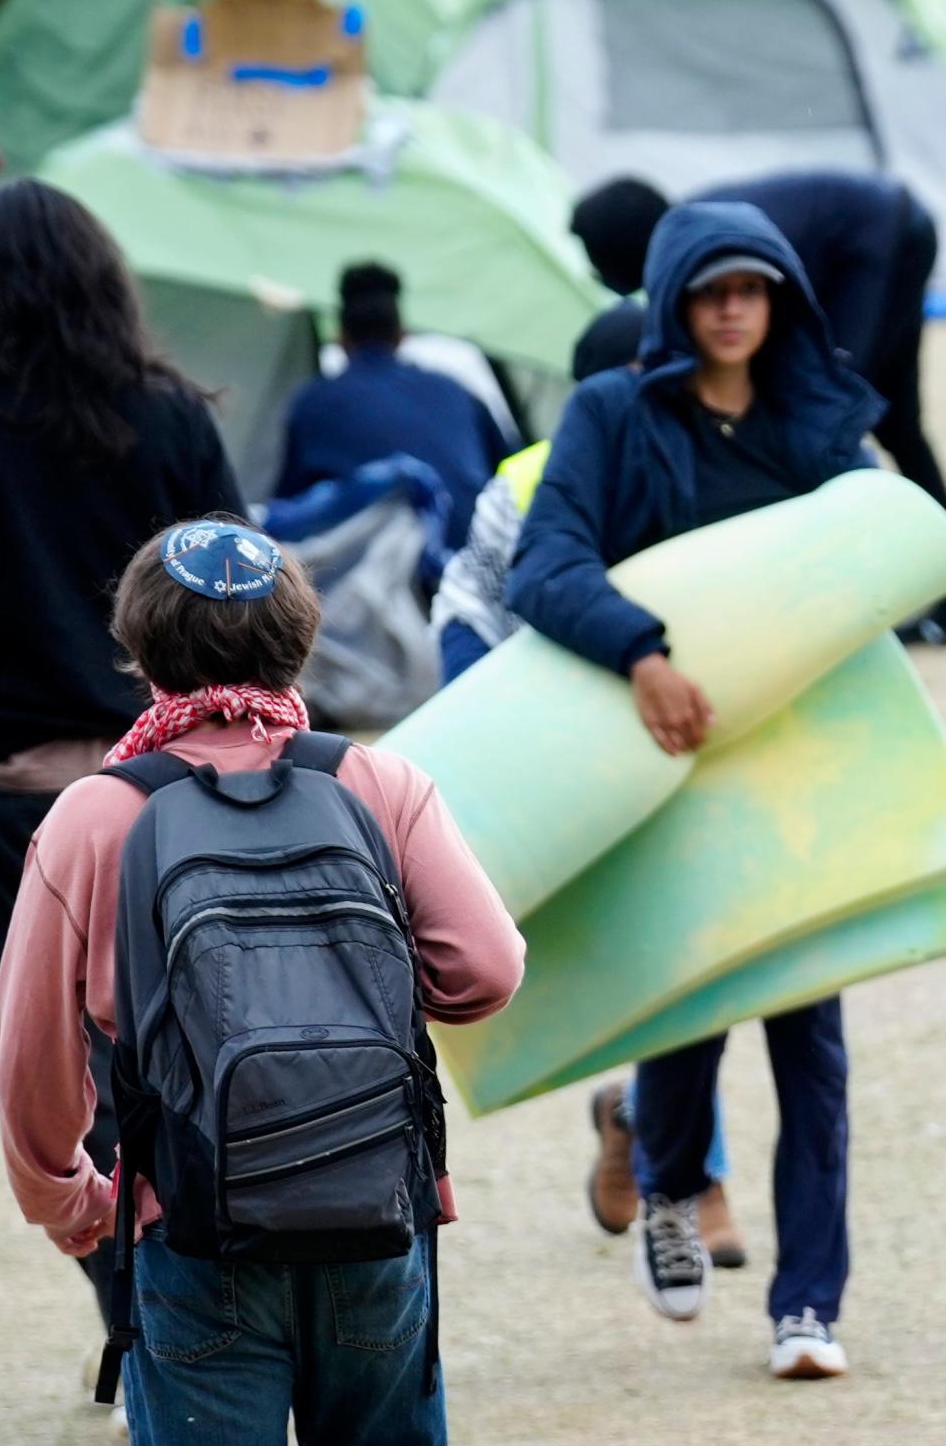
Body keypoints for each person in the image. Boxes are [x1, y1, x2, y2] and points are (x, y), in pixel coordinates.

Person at [0, 519, 524, 1446]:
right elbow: (485, 968)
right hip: (378, 1230)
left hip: (194, 1248)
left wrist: (74, 1200)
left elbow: (34, 1068)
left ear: (140, 649)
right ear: (293, 644)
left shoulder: (98, 819)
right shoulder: (377, 783)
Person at [509, 200, 884, 1379]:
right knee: (691, 1008)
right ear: (673, 298)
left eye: (755, 289)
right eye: (712, 288)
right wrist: (645, 653)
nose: (733, 308)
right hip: (664, 760)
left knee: (810, 1032)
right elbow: (546, 562)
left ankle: (807, 1304)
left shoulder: (816, 420)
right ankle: (668, 1187)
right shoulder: (614, 414)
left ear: (782, 302)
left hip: (795, 762)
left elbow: (880, 547)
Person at [431, 308, 746, 1270]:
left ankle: (687, 1167)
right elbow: (466, 610)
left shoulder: (690, 466)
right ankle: (645, 1120)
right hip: (557, 762)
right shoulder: (533, 483)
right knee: (630, 961)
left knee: (685, 956)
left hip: (661, 736)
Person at [0, 177, 242, 1342]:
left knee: (56, 1057)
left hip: (14, 794)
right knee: (187, 1037)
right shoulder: (174, 419)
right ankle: (216, 1272)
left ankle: (133, 1301)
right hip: (175, 782)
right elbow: (246, 589)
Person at [571, 170, 946, 513]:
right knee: (893, 420)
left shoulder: (709, 245)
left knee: (832, 401)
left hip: (883, 233)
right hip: (893, 221)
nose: (730, 306)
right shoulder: (691, 236)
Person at [273, 262, 514, 552]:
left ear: (342, 337)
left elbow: (292, 513)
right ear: (401, 333)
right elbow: (508, 471)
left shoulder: (313, 404)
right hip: (472, 561)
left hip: (378, 578)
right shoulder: (456, 391)